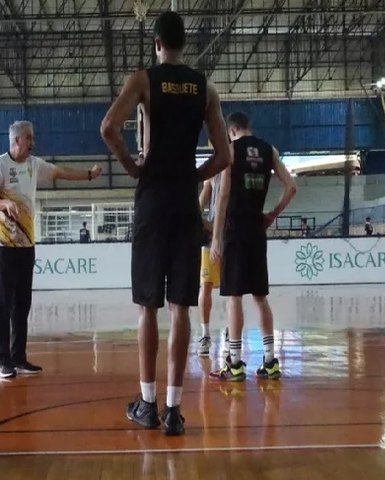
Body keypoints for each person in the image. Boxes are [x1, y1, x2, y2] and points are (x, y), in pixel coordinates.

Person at [100, 10, 230, 436]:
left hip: (153, 199)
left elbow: (108, 127)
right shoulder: (204, 86)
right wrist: (194, 176)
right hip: (183, 202)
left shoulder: (143, 80)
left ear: (156, 43)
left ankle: (148, 403)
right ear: (183, 44)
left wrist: (133, 165)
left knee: (148, 308)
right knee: (181, 308)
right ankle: (174, 410)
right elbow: (224, 156)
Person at [0, 120, 102, 379]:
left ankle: (18, 357)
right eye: (29, 137)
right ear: (16, 140)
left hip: (27, 246)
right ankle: (2, 360)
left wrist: (89, 174)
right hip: (5, 246)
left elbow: (60, 172)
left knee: (22, 304)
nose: (33, 142)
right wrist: (4, 203)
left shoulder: (34, 165)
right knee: (2, 305)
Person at [209, 112, 297, 381]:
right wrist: (272, 214)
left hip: (235, 229)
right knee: (260, 297)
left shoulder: (231, 151)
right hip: (257, 229)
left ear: (232, 130)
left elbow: (223, 196)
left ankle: (234, 363)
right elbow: (292, 187)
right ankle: (270, 361)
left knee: (233, 297)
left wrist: (216, 238)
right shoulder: (269, 150)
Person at [197, 173, 223, 356]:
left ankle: (232, 334)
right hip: (212, 235)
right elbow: (204, 196)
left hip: (231, 231)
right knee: (205, 285)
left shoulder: (238, 162)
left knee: (233, 290)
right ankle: (205, 335)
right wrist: (198, 217)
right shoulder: (215, 167)